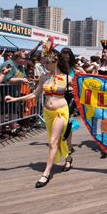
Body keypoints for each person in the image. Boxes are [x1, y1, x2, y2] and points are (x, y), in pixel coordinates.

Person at [5, 38, 73, 188]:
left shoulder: (68, 78)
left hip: (61, 111)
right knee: (57, 140)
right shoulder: (44, 77)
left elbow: (79, 95)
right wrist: (15, 98)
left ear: (55, 61)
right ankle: (68, 158)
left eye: (47, 62)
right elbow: (35, 94)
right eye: (45, 62)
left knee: (53, 141)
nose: (45, 64)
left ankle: (46, 173)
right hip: (48, 112)